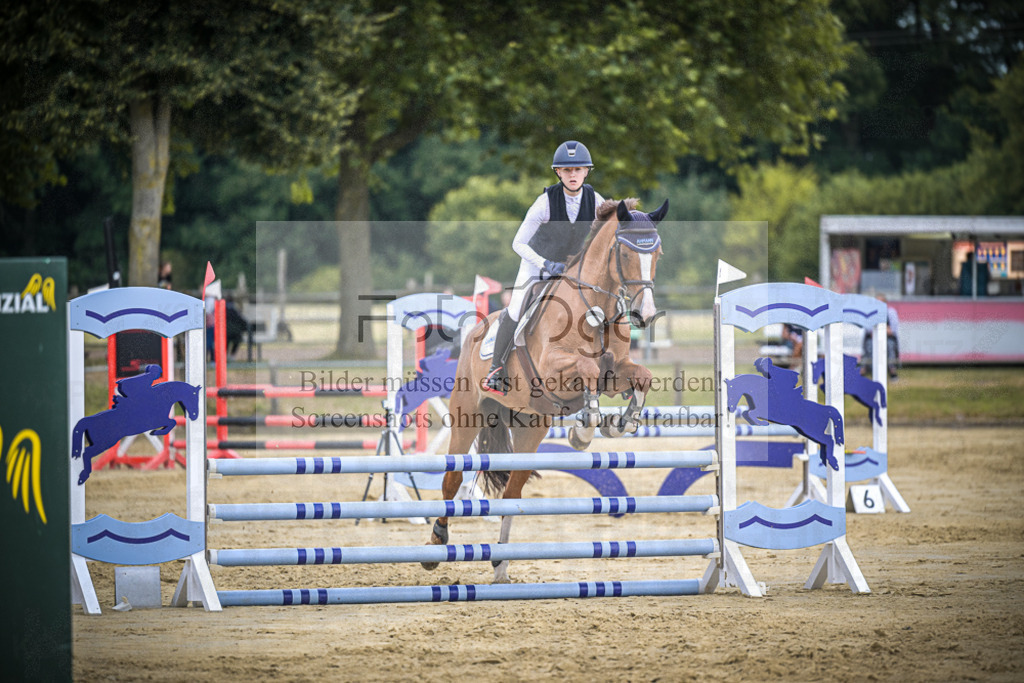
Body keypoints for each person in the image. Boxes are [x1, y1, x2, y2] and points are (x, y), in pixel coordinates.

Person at [483, 141, 607, 395]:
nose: (573, 175)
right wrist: (544, 263)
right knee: (516, 309)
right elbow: (518, 243)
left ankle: (613, 366)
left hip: (571, 272)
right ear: (558, 173)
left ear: (586, 172)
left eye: (578, 170)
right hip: (535, 267)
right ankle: (496, 370)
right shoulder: (545, 203)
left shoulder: (596, 201)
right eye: (566, 170)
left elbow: (603, 241)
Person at [863, 294, 900, 379]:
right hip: (873, 338)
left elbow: (893, 330)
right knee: (869, 346)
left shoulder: (891, 312)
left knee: (890, 346)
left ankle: (892, 370)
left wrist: (880, 330)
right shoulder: (871, 313)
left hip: (888, 338)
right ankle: (869, 370)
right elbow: (868, 330)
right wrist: (885, 329)